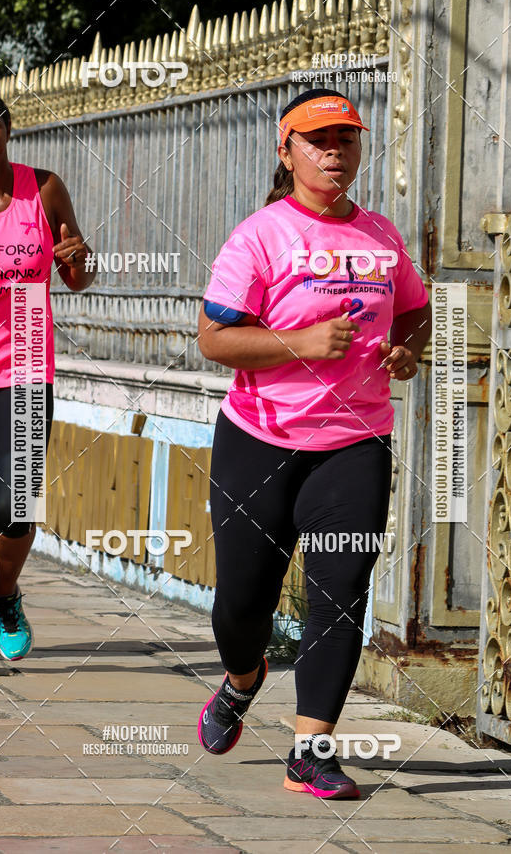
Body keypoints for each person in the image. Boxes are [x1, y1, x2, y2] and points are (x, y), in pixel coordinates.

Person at [196, 88, 432, 799]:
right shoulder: (260, 236)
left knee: (340, 591)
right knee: (243, 604)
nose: (334, 152)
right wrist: (297, 341)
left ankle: (311, 751)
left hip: (356, 441)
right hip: (260, 440)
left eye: (346, 140)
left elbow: (418, 312)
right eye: (318, 141)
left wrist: (408, 351)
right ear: (287, 150)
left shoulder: (381, 236)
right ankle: (242, 680)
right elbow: (214, 338)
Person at [0, 85, 96, 677]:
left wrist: (79, 258)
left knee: (16, 507)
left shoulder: (44, 188)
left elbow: (77, 275)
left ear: (8, 127)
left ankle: (5, 593)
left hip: (26, 352)